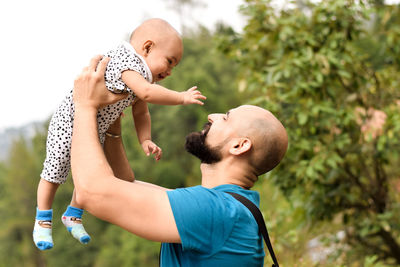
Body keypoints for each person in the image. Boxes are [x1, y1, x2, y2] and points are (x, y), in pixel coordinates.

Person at [70, 55, 288, 266]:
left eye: (226, 117)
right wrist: (112, 128)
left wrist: (85, 106)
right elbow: (123, 183)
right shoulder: (229, 208)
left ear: (239, 146)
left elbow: (91, 192)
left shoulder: (214, 211)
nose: (212, 116)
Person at [33, 18, 206, 250]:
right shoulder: (127, 63)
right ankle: (42, 219)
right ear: (147, 47)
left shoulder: (143, 74)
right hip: (70, 121)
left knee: (94, 170)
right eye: (169, 61)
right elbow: (146, 94)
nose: (170, 71)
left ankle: (72, 214)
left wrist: (144, 138)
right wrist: (181, 97)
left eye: (174, 66)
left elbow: (141, 111)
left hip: (96, 126)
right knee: (55, 170)